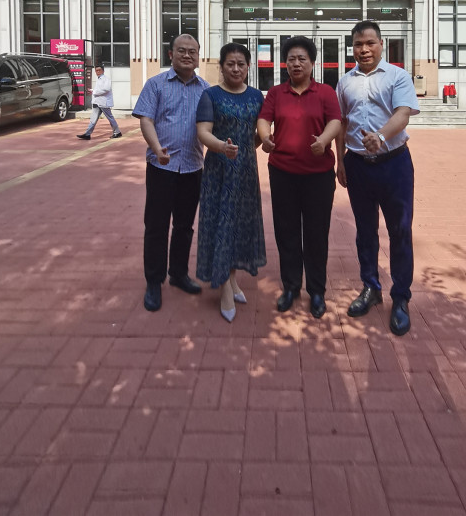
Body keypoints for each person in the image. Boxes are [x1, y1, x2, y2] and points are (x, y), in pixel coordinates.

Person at [336, 20, 420, 336]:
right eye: (358, 44)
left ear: (381, 44)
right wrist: (340, 161)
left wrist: (381, 136)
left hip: (394, 164)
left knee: (400, 230)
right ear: (352, 48)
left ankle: (401, 297)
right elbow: (341, 122)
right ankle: (370, 286)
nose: (364, 49)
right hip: (358, 165)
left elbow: (403, 113)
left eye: (370, 43)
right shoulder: (345, 82)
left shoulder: (397, 76)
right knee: (365, 231)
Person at [257, 36, 342, 319]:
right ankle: (291, 286)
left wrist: (324, 141)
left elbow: (335, 121)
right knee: (287, 232)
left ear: (312, 62)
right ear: (285, 63)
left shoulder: (325, 92)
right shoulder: (276, 93)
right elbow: (264, 119)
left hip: (318, 176)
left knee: (316, 234)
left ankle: (316, 290)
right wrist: (265, 137)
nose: (296, 63)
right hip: (283, 173)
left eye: (302, 59)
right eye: (291, 59)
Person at [132, 34, 210, 312]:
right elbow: (146, 119)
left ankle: (178, 273)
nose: (187, 55)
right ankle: (154, 281)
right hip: (161, 167)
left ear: (198, 56)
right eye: (181, 51)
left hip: (192, 167)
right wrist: (157, 148)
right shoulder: (156, 84)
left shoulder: (206, 89)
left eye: (192, 51)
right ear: (170, 54)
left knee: (185, 225)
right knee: (156, 226)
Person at [195, 43, 266, 322]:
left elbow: (257, 134)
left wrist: (257, 144)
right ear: (222, 67)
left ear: (248, 67)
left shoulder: (256, 96)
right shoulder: (210, 95)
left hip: (246, 171)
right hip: (219, 171)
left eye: (241, 64)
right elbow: (203, 132)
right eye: (230, 64)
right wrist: (222, 148)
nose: (236, 69)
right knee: (221, 225)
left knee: (238, 226)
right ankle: (224, 286)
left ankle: (233, 279)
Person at [77, 64, 122, 140]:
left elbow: (106, 89)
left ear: (103, 71)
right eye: (96, 71)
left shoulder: (106, 79)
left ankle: (117, 132)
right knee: (93, 119)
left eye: (99, 70)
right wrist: (92, 91)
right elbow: (98, 89)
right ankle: (87, 134)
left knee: (110, 118)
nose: (97, 72)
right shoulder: (98, 79)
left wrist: (94, 92)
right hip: (97, 102)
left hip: (104, 103)